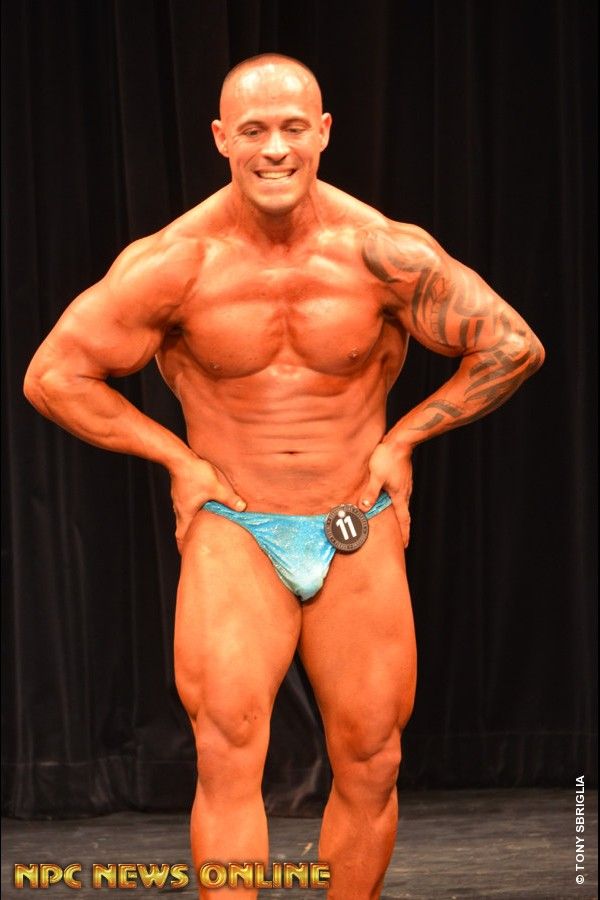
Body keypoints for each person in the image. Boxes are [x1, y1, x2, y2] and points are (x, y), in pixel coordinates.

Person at [23, 53, 544, 899]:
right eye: (255, 130)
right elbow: (53, 375)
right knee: (228, 751)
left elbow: (512, 345)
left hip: (354, 520)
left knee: (374, 756)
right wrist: (178, 461)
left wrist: (404, 440)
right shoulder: (176, 262)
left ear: (324, 132)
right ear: (221, 138)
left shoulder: (381, 252)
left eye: (294, 128)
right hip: (237, 524)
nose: (275, 149)